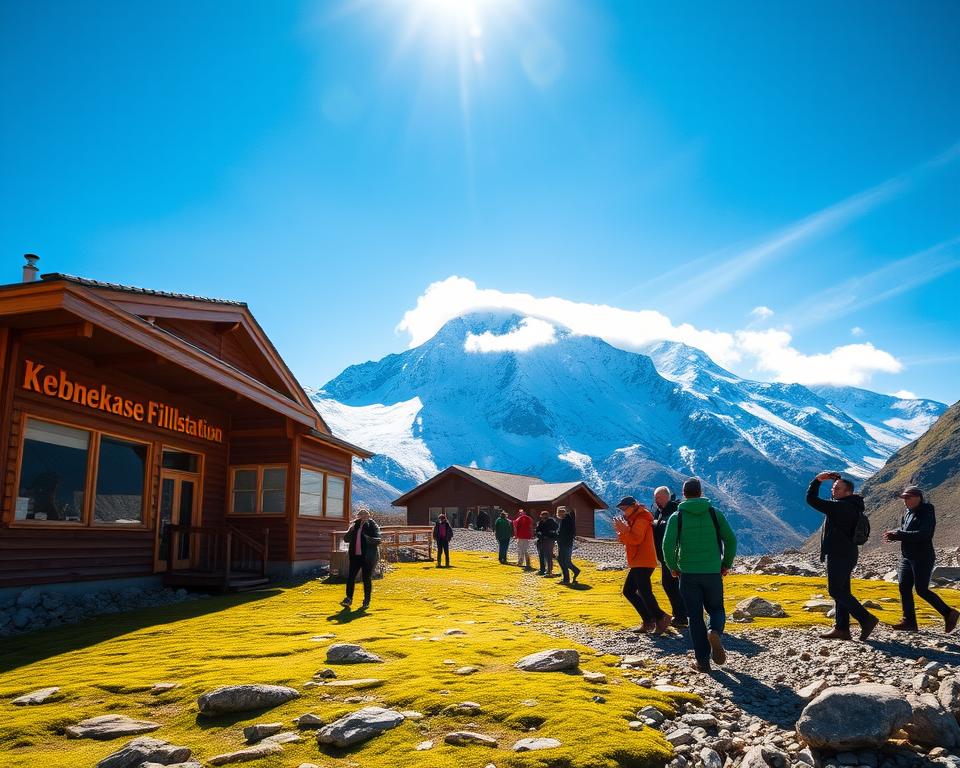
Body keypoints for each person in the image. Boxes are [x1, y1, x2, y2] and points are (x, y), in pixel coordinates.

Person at [662, 478, 737, 672]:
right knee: (716, 609)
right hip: (712, 571)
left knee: (694, 617)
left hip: (687, 573)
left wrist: (672, 566)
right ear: (701, 492)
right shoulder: (714, 513)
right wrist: (725, 563)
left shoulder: (677, 517)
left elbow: (667, 546)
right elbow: (730, 540)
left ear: (684, 494)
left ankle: (702, 662)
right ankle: (715, 631)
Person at [806, 471, 879, 641]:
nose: (833, 491)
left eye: (837, 489)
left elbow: (811, 500)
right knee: (843, 590)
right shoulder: (851, 506)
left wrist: (817, 480)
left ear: (848, 492)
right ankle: (842, 629)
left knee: (835, 589)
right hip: (847, 553)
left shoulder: (841, 507)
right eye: (833, 488)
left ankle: (866, 619)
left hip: (839, 554)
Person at [883, 485, 960, 633]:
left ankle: (949, 613)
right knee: (904, 587)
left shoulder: (927, 511)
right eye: (904, 498)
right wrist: (895, 535)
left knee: (921, 589)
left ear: (918, 497)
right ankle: (909, 622)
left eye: (909, 497)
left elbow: (924, 534)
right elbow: (906, 533)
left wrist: (899, 535)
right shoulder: (907, 513)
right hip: (907, 556)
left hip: (923, 556)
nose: (906, 500)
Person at [614, 496, 671, 634]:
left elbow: (635, 539)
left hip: (644, 560)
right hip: (638, 561)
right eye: (621, 509)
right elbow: (625, 540)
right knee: (630, 591)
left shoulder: (642, 518)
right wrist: (622, 530)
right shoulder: (632, 519)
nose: (623, 512)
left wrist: (624, 530)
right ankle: (650, 620)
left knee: (643, 592)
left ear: (633, 506)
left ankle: (660, 617)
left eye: (624, 509)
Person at [652, 486, 687, 628]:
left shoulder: (676, 511)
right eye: (655, 499)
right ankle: (680, 615)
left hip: (674, 557)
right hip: (663, 557)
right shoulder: (659, 513)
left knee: (672, 585)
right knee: (671, 586)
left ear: (666, 496)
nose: (656, 501)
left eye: (659, 498)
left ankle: (681, 616)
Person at [340, 508, 381, 610]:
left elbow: (378, 540)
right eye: (360, 516)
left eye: (364, 516)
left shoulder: (372, 525)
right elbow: (346, 539)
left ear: (368, 516)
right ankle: (348, 599)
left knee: (366, 578)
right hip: (355, 556)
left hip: (368, 557)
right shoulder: (355, 526)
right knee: (351, 577)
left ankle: (366, 601)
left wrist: (367, 538)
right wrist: (351, 531)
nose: (362, 518)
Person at [556, 506, 581, 585]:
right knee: (562, 560)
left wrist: (557, 536)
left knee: (564, 561)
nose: (560, 514)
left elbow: (566, 533)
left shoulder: (567, 520)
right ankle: (568, 576)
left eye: (561, 512)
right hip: (564, 543)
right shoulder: (565, 520)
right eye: (559, 512)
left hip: (565, 543)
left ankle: (569, 576)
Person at [536, 511, 559, 576]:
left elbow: (554, 529)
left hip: (549, 540)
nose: (543, 517)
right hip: (541, 540)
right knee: (541, 555)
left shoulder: (551, 522)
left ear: (547, 516)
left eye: (544, 515)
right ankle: (542, 570)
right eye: (542, 515)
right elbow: (538, 530)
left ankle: (549, 570)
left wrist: (546, 533)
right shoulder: (540, 522)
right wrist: (539, 533)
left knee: (548, 555)